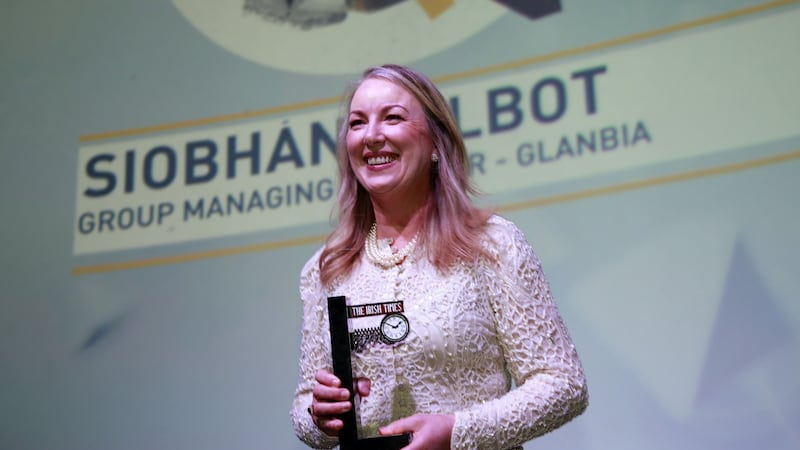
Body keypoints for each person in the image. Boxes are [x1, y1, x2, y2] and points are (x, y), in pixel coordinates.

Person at [290, 64, 588, 450]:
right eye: (357, 123)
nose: (372, 136)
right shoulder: (326, 269)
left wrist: (458, 431)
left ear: (436, 142)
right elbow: (305, 411)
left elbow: (564, 384)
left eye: (392, 118)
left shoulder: (492, 245)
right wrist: (320, 416)